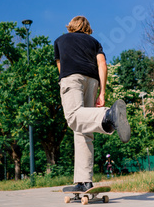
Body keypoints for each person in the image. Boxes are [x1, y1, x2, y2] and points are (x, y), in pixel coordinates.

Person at [54, 15, 130, 192]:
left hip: (72, 78)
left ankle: (108, 116)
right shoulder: (94, 42)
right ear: (87, 28)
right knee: (83, 130)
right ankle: (84, 181)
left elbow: (60, 66)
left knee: (73, 117)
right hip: (93, 80)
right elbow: (102, 64)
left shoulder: (60, 40)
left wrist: (64, 80)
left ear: (71, 26)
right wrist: (102, 92)